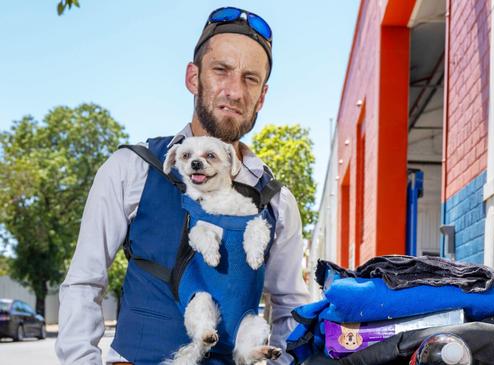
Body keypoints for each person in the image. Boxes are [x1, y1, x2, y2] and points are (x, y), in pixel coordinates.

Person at [55, 6, 311, 365]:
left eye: (250, 78)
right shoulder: (131, 168)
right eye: (221, 70)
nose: (235, 91)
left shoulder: (277, 202)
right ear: (193, 78)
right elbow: (84, 282)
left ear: (262, 97)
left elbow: (290, 309)